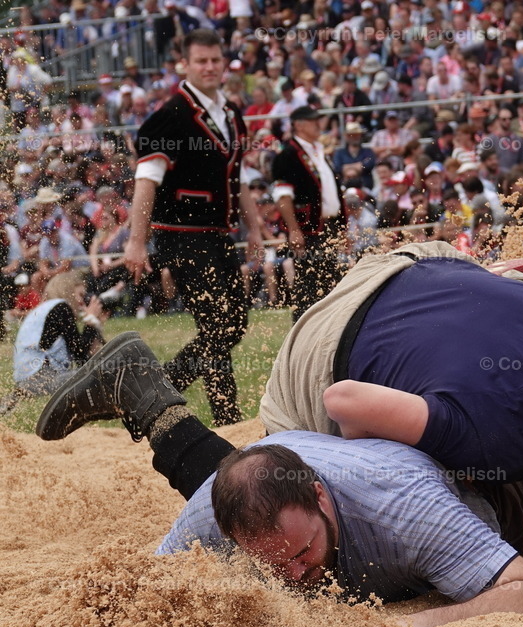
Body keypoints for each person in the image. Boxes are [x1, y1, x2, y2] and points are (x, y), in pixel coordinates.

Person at [35, 333, 523, 627]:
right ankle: (146, 394)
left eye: (302, 552)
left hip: (479, 487)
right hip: (296, 456)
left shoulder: (409, 510)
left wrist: (426, 626)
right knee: (229, 477)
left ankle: (144, 390)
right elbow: (147, 589)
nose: (292, 575)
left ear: (318, 496)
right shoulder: (212, 515)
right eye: (273, 563)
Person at [258, 240, 523, 570]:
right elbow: (344, 399)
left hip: (430, 261)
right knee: (466, 515)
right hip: (326, 338)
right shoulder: (497, 441)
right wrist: (384, 455)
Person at [124, 28, 264, 428]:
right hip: (181, 235)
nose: (209, 67)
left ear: (224, 63)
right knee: (217, 325)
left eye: (215, 60)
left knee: (234, 321)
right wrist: (136, 241)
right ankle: (228, 421)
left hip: (219, 235)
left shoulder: (233, 114)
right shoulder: (169, 118)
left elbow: (240, 178)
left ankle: (155, 391)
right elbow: (145, 183)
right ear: (184, 64)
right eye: (200, 60)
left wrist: (254, 231)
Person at [271, 105, 346, 322]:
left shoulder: (318, 151)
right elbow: (283, 196)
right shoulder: (288, 154)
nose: (318, 125)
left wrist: (341, 227)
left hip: (328, 227)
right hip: (307, 230)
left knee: (330, 283)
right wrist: (294, 230)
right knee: (308, 285)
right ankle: (302, 336)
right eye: (313, 121)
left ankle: (327, 331)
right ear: (299, 125)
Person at [0, 270, 104, 418]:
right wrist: (91, 321)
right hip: (40, 378)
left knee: (97, 372)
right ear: (68, 290)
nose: (82, 301)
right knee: (100, 376)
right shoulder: (61, 308)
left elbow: (83, 357)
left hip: (28, 379)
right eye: (80, 295)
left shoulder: (49, 309)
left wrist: (94, 328)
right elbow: (80, 351)